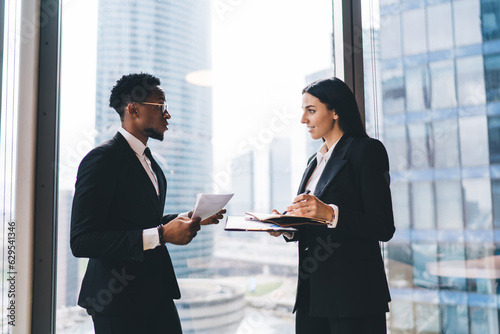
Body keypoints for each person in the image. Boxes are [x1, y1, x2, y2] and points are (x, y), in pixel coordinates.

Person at [70, 73, 225, 334]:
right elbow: (82, 240)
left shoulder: (150, 161)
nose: (168, 115)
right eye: (161, 106)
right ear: (133, 109)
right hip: (117, 302)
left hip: (157, 295)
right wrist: (162, 235)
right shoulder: (102, 160)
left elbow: (142, 221)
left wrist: (190, 216)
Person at [269, 77, 395, 333]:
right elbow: (312, 223)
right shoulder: (313, 162)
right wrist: (285, 225)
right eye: (303, 110)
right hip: (311, 296)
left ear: (336, 111)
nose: (303, 119)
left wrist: (330, 213)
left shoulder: (367, 151)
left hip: (354, 298)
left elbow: (383, 226)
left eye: (311, 110)